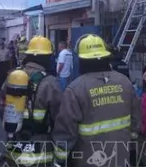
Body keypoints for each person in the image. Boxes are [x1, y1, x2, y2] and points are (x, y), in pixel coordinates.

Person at [52, 34, 140, 167]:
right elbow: (136, 120)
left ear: (82, 60)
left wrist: (59, 161)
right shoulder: (125, 82)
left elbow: (66, 131)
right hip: (121, 159)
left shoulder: (75, 89)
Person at [0, 35, 62, 167]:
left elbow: (2, 105)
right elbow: (59, 119)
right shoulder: (50, 83)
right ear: (46, 58)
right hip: (40, 152)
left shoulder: (14, 76)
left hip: (14, 147)